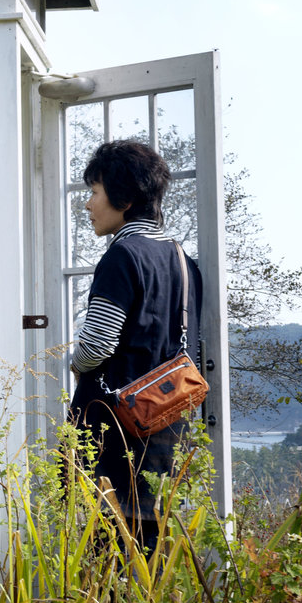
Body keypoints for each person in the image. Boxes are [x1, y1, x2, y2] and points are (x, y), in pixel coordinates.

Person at [67, 138, 203, 553]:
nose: (88, 204)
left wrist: (75, 362)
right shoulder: (182, 259)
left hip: (111, 426)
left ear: (123, 198)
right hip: (164, 422)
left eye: (94, 191)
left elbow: (97, 346)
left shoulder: (122, 256)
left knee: (101, 546)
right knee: (147, 545)